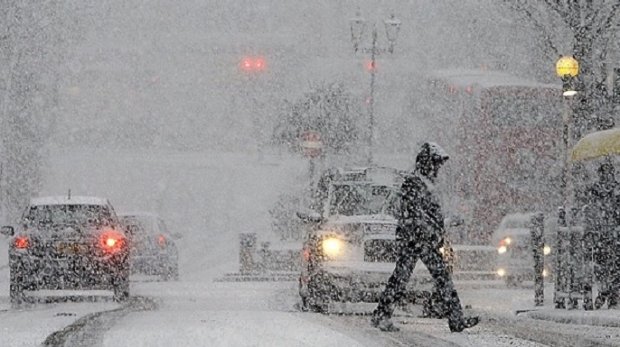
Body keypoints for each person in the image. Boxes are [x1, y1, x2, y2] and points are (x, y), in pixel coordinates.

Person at [371, 142, 479, 332]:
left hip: (419, 239)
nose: (438, 169)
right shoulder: (414, 183)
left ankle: (382, 314)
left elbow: (423, 215)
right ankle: (455, 318)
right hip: (418, 240)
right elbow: (415, 214)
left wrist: (442, 224)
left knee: (404, 277)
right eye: (436, 164)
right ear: (428, 164)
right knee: (439, 277)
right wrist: (429, 231)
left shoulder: (422, 184)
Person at [584, 162, 620, 308]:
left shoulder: (597, 190)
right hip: (607, 234)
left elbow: (591, 210)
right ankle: (608, 293)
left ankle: (608, 294)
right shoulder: (604, 190)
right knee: (606, 265)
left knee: (608, 265)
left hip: (607, 233)